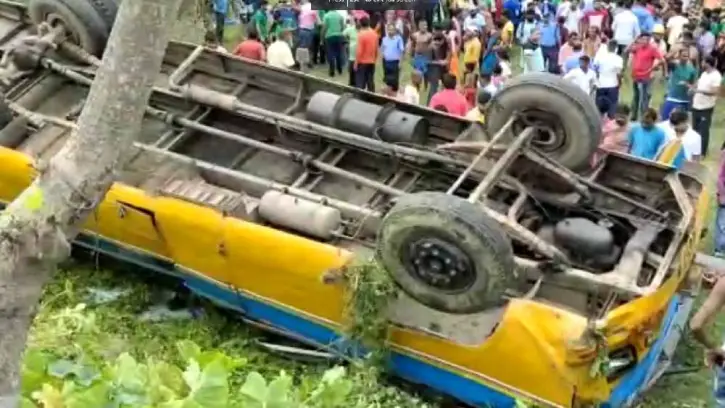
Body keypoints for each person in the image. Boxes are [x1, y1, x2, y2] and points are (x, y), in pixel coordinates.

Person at [628, 33, 665, 121]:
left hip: (646, 76)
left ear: (649, 40)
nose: (644, 41)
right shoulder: (637, 47)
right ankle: (634, 115)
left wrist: (654, 67)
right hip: (636, 75)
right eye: (643, 39)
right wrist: (634, 40)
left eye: (646, 39)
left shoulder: (652, 48)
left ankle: (643, 116)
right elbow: (627, 50)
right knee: (636, 96)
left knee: (644, 97)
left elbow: (662, 60)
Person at [691, 56, 721, 156]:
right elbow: (698, 83)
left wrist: (700, 91)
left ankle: (702, 152)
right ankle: (694, 150)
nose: (701, 63)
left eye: (703, 62)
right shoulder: (704, 74)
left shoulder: (716, 76)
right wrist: (692, 87)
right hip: (696, 105)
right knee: (694, 129)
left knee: (704, 131)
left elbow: (715, 91)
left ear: (708, 63)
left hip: (706, 107)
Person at [660, 48, 696, 121]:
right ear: (679, 56)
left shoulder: (691, 69)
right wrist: (673, 52)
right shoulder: (675, 65)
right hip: (672, 98)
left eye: (687, 56)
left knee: (679, 122)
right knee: (665, 120)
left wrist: (687, 85)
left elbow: (693, 85)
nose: (685, 58)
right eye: (683, 56)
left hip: (684, 100)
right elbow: (665, 60)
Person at [595, 40, 623, 118]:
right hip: (612, 85)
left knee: (600, 106)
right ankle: (611, 122)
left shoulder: (601, 57)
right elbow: (618, 74)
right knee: (612, 105)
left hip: (601, 84)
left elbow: (596, 70)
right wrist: (620, 83)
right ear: (616, 48)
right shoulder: (618, 59)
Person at [408, 20, 434, 93]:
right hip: (417, 56)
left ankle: (425, 87)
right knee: (417, 72)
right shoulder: (415, 35)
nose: (424, 27)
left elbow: (432, 46)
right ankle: (417, 86)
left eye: (426, 25)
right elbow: (412, 45)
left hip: (425, 56)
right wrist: (411, 55)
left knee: (425, 73)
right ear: (419, 26)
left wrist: (430, 55)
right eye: (423, 25)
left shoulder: (429, 35)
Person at [426, 32, 451, 104]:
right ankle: (430, 105)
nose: (437, 43)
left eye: (439, 41)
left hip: (441, 71)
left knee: (438, 89)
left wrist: (445, 61)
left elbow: (448, 56)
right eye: (435, 41)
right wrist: (439, 62)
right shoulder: (431, 47)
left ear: (443, 40)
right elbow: (427, 61)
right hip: (433, 71)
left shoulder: (443, 47)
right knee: (433, 89)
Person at [355, 17, 378, 92]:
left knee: (360, 82)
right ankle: (372, 97)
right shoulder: (374, 34)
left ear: (361, 24)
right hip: (371, 61)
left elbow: (359, 51)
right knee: (370, 81)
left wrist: (356, 63)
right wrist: (375, 59)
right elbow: (376, 49)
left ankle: (360, 97)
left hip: (362, 62)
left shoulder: (361, 34)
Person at [343, 16, 358, 86]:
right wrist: (347, 41)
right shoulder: (350, 29)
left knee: (357, 73)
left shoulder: (364, 30)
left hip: (360, 57)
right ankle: (351, 85)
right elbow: (342, 35)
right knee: (351, 72)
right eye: (357, 21)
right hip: (352, 56)